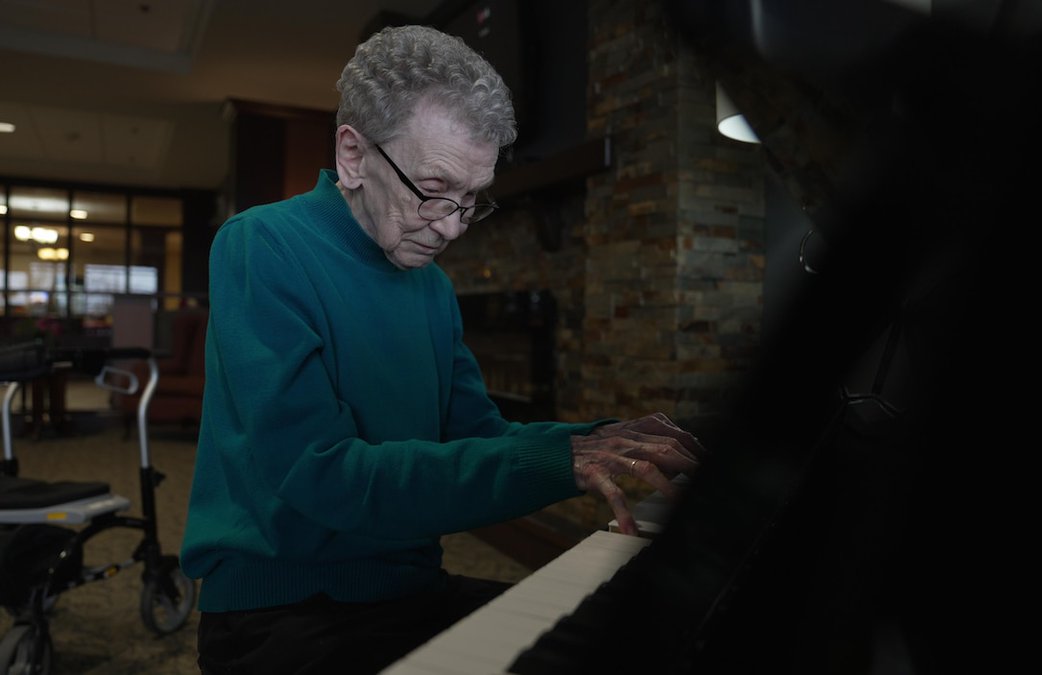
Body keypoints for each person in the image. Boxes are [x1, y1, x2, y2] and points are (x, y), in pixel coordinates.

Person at [181, 24, 705, 675]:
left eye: (472, 200)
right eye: (434, 191)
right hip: (286, 613)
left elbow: (479, 436)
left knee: (633, 641)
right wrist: (556, 458)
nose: (454, 226)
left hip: (410, 592)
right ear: (352, 154)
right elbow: (321, 475)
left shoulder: (430, 286)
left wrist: (602, 442)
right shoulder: (261, 246)